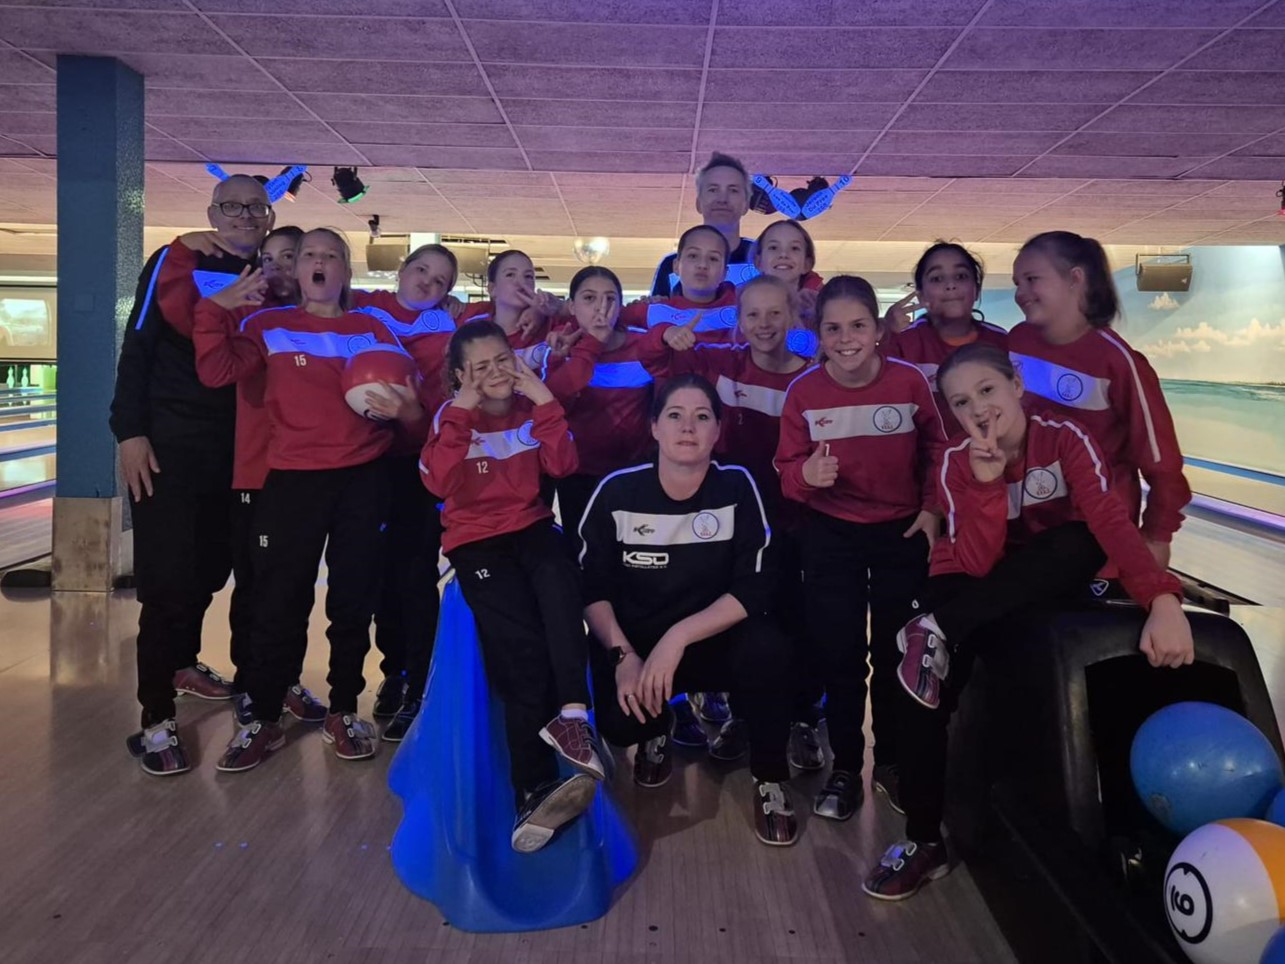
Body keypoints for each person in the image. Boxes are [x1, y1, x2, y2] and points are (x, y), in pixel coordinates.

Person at [863, 343, 1195, 900]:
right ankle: (924, 841)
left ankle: (936, 630)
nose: (979, 410)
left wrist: (1162, 599)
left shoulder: (1065, 439)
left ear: (1017, 384)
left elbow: (1111, 522)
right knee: (921, 692)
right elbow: (973, 561)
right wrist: (988, 483)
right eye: (962, 402)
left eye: (988, 391)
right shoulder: (953, 461)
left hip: (1039, 580)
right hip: (969, 580)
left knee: (1081, 537)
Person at [193, 228, 422, 771]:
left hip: (363, 479)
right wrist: (213, 309)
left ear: (346, 271)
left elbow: (413, 416)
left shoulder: (374, 331)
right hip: (291, 480)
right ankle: (265, 717)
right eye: (311, 255)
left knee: (352, 602)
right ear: (297, 270)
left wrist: (409, 412)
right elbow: (215, 371)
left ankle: (344, 709)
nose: (321, 262)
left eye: (333, 256)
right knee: (279, 600)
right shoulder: (267, 326)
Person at [579, 374, 799, 846]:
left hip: (712, 640)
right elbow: (591, 587)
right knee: (618, 724)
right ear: (654, 427)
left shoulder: (738, 486)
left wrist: (677, 637)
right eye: (675, 416)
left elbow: (756, 586)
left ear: (718, 431)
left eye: (702, 417)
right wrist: (623, 656)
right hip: (638, 647)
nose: (688, 428)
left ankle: (770, 778)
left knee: (771, 650)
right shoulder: (617, 492)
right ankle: (660, 726)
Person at [421, 320, 606, 854]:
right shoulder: (451, 417)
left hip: (529, 527)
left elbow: (564, 465)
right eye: (481, 367)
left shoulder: (531, 409)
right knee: (521, 649)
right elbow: (436, 482)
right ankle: (530, 788)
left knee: (561, 585)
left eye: (503, 359)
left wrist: (545, 398)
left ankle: (573, 717)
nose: (497, 373)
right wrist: (461, 408)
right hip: (475, 542)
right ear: (460, 376)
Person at [112, 174, 273, 776]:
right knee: (167, 583)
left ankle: (182, 664)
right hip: (170, 449)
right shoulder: (176, 260)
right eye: (232, 206)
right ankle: (155, 720)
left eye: (255, 207)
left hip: (242, 455)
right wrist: (128, 432)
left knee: (213, 571)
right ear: (213, 211)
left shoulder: (272, 272)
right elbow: (139, 346)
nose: (244, 215)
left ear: (269, 218)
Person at [775, 276, 946, 822]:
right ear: (818, 335)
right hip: (832, 535)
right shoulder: (804, 392)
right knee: (841, 656)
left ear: (877, 330)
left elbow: (939, 449)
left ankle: (890, 761)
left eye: (857, 326)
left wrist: (932, 507)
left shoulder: (910, 381)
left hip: (901, 533)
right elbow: (784, 470)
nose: (846, 338)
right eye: (833, 328)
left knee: (896, 654)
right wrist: (806, 474)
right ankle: (847, 766)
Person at [639, 275, 820, 767]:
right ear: (739, 321)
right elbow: (656, 364)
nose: (764, 324)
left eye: (774, 314)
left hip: (796, 520)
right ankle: (745, 715)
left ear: (793, 317)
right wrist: (665, 337)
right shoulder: (721, 365)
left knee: (798, 621)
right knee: (748, 625)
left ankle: (801, 719)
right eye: (753, 315)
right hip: (734, 526)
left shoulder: (811, 379)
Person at [1007, 231, 1190, 571]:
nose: (1020, 293)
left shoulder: (1117, 361)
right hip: (1024, 527)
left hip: (1094, 534)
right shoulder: (1017, 341)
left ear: (1075, 279)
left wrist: (1156, 537)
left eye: (1032, 279)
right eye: (1018, 282)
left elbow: (1162, 464)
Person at [351, 244, 460, 739]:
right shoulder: (362, 305)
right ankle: (392, 673)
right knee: (377, 577)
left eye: (439, 281)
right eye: (421, 270)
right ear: (402, 269)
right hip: (366, 464)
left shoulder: (448, 329)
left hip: (419, 467)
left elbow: (438, 404)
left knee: (416, 578)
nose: (426, 284)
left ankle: (419, 682)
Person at [539, 266, 655, 561]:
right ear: (572, 306)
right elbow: (557, 401)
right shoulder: (559, 348)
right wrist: (589, 346)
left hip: (634, 474)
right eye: (589, 298)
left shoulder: (642, 344)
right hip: (579, 475)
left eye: (610, 299)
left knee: (633, 558)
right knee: (585, 557)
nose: (601, 308)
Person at [883, 241, 1009, 431]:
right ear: (921, 295)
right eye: (937, 279)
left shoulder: (1002, 343)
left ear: (976, 289)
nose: (950, 285)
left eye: (960, 276)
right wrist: (884, 332)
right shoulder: (903, 343)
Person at [651, 152, 756, 297]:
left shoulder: (763, 257)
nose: (722, 199)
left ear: (746, 205)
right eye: (713, 190)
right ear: (698, 203)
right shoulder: (671, 266)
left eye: (733, 190)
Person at [621, 225, 739, 343]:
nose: (702, 265)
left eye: (713, 258)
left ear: (725, 273)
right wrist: (661, 334)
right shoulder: (652, 311)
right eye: (693, 256)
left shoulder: (746, 309)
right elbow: (605, 324)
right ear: (676, 266)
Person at [456, 250, 561, 354]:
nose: (521, 282)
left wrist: (555, 307)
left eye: (528, 276)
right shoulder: (471, 323)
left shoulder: (550, 325)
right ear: (492, 289)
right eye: (510, 275)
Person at [752, 219, 824, 335]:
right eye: (773, 248)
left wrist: (818, 321)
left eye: (794, 248)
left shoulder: (823, 306)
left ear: (807, 264)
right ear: (758, 262)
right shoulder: (741, 305)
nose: (783, 254)